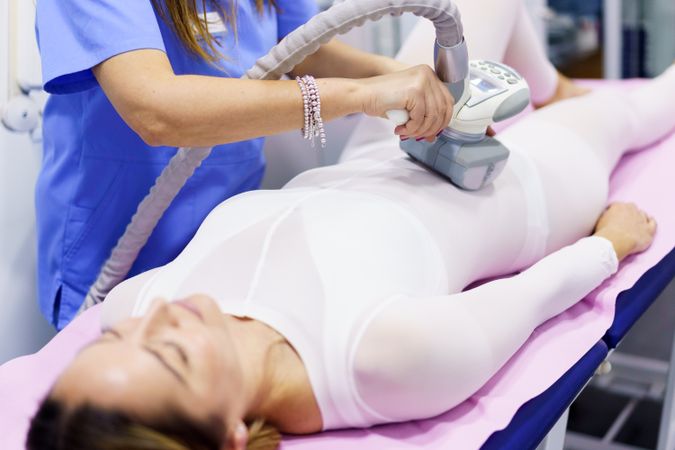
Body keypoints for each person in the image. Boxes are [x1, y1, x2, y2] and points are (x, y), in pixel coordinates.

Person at [29, 1, 673, 450]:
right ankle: (570, 103)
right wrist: (608, 245)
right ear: (230, 436)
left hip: (379, 155)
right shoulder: (382, 361)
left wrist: (397, 83)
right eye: (169, 355)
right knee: (633, 114)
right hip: (505, 190)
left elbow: (303, 45)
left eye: (116, 343)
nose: (161, 321)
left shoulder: (135, 304)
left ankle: (552, 85)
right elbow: (532, 299)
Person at [35, 0, 456, 329]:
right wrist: (362, 95)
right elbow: (156, 109)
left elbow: (299, 46)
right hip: (117, 242)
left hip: (222, 233)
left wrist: (395, 75)